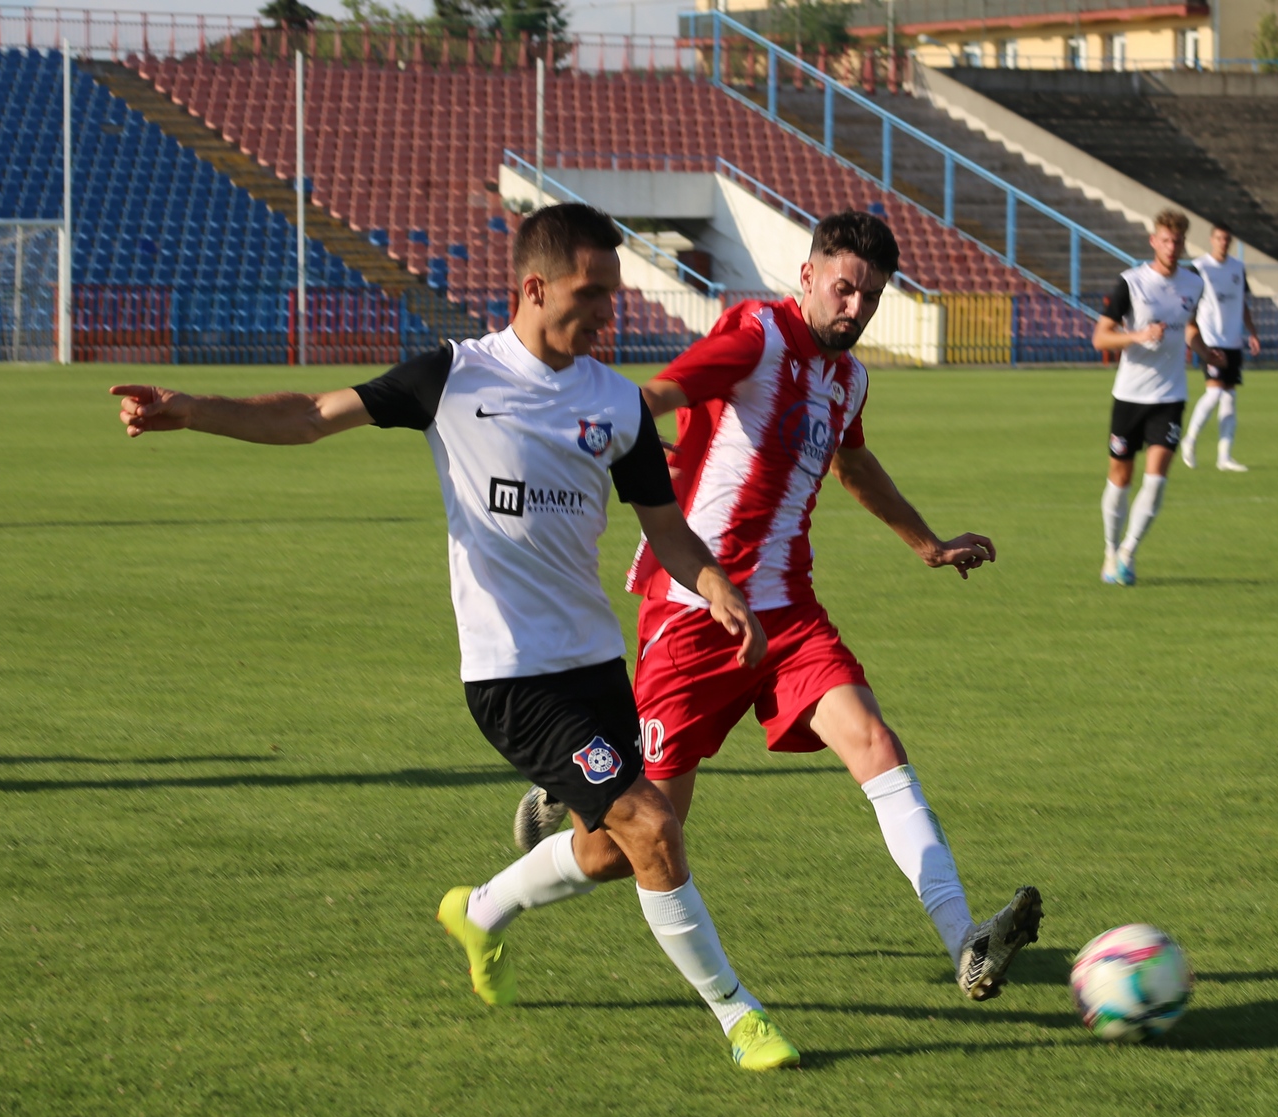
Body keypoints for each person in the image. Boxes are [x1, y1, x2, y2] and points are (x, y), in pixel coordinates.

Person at [108, 203, 802, 1072]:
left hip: (595, 664)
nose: (606, 313)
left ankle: (479, 910)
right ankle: (739, 1015)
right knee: (652, 823)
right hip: (514, 678)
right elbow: (313, 414)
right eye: (591, 295)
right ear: (535, 287)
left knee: (612, 849)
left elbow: (665, 527)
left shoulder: (617, 404)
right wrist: (192, 408)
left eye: (613, 296)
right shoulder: (456, 377)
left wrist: (715, 587)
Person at [516, 211, 1043, 1001]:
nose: (855, 307)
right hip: (695, 611)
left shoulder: (848, 378)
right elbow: (663, 391)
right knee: (624, 849)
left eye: (870, 297)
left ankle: (963, 940)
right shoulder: (757, 333)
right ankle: (485, 905)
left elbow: (853, 465)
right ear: (808, 276)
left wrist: (927, 544)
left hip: (790, 614)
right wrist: (579, 432)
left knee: (876, 743)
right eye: (844, 287)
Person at [1092, 208, 1207, 587]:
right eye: (1166, 240)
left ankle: (1128, 552)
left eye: (1178, 241)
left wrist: (1204, 349)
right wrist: (1138, 337)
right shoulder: (1130, 283)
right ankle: (1110, 551)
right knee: (1120, 477)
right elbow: (1101, 337)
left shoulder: (1193, 284)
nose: (1172, 247)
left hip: (1171, 395)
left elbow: (1189, 327)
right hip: (1129, 395)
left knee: (1156, 479)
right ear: (1153, 241)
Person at [1182, 223, 1260, 473]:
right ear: (1211, 240)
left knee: (1230, 398)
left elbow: (1242, 302)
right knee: (1214, 394)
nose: (1223, 242)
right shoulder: (1200, 267)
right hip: (1210, 340)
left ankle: (1224, 457)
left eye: (1227, 239)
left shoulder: (1238, 267)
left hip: (1233, 341)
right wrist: (1190, 327)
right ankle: (1189, 441)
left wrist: (1252, 332)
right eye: (1219, 238)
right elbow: (1188, 300)